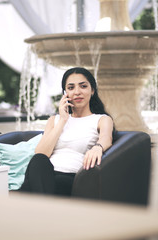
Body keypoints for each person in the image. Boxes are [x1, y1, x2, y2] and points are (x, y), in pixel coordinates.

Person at [19, 67, 114, 196]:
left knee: (27, 189)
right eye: (71, 88)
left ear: (92, 90)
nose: (77, 92)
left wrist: (98, 147)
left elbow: (106, 138)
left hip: (72, 177)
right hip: (45, 174)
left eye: (83, 86)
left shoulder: (101, 119)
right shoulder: (55, 120)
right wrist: (63, 120)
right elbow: (41, 152)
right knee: (38, 160)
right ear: (65, 93)